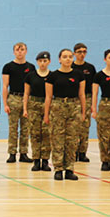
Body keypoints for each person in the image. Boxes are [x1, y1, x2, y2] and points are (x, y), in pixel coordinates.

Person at [44, 49, 85, 181]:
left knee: (72, 140)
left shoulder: (79, 75)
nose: (67, 59)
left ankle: (69, 169)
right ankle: (58, 168)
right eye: (64, 57)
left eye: (69, 57)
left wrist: (83, 112)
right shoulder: (53, 76)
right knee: (57, 139)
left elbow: (82, 95)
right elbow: (48, 97)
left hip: (74, 107)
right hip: (57, 107)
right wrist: (46, 114)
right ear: (59, 59)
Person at [2, 42, 34, 163]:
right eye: (17, 49)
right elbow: (5, 86)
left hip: (27, 99)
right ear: (14, 52)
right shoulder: (8, 67)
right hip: (14, 98)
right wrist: (5, 104)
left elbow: (32, 85)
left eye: (22, 49)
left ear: (26, 51)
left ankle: (24, 153)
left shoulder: (30, 67)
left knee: (26, 128)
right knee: (13, 128)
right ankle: (12, 153)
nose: (20, 52)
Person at [22, 51, 52, 171]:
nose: (43, 63)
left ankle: (45, 161)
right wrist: (25, 108)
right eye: (40, 61)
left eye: (45, 61)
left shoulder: (52, 76)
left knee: (46, 133)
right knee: (34, 134)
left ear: (49, 61)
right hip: (33, 105)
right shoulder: (31, 76)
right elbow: (26, 93)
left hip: (47, 104)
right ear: (37, 62)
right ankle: (36, 160)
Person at [73, 43, 96, 162]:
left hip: (87, 98)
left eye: (84, 52)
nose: (82, 54)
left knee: (85, 125)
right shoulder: (71, 66)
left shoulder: (90, 68)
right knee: (74, 126)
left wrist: (92, 104)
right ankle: (74, 151)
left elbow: (94, 87)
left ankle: (82, 152)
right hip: (74, 98)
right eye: (79, 52)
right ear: (74, 53)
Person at [93, 50, 110, 171]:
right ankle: (105, 160)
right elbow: (95, 94)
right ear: (105, 59)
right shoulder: (99, 75)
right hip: (105, 104)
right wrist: (94, 109)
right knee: (103, 134)